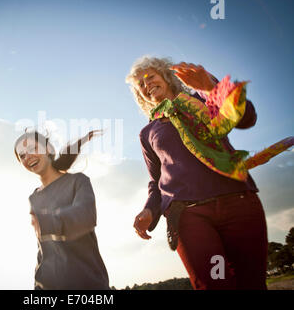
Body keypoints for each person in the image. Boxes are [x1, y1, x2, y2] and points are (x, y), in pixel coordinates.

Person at [125, 56, 269, 290]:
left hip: (239, 202)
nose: (146, 83)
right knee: (214, 285)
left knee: (252, 284)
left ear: (167, 76)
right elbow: (156, 181)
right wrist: (149, 210)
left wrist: (211, 87)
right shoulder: (148, 132)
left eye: (151, 76)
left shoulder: (201, 97)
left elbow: (247, 117)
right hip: (188, 215)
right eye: (140, 84)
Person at [14, 129, 110, 290]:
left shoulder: (78, 181)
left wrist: (47, 222)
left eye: (32, 149)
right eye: (22, 155)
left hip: (88, 284)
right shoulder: (33, 198)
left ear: (48, 149)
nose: (27, 156)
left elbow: (86, 216)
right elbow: (43, 251)